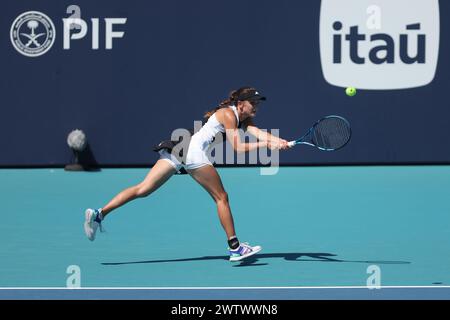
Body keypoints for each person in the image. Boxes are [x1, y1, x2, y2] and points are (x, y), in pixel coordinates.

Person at [84, 87, 290, 262]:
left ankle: (99, 214)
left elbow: (260, 133)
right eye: (252, 102)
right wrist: (266, 145)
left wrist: (280, 142)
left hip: (181, 149)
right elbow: (237, 148)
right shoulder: (229, 114)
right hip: (192, 152)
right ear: (241, 103)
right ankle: (235, 247)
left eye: (258, 103)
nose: (256, 106)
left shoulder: (242, 118)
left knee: (143, 189)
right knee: (222, 197)